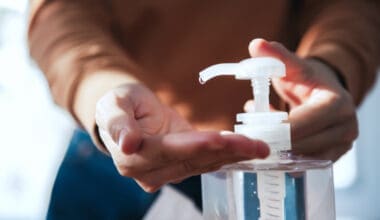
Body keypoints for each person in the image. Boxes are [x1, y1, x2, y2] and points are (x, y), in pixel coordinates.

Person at [28, 0, 380, 219]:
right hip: (119, 154)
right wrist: (101, 88)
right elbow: (59, 11)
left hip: (281, 158)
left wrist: (333, 63)